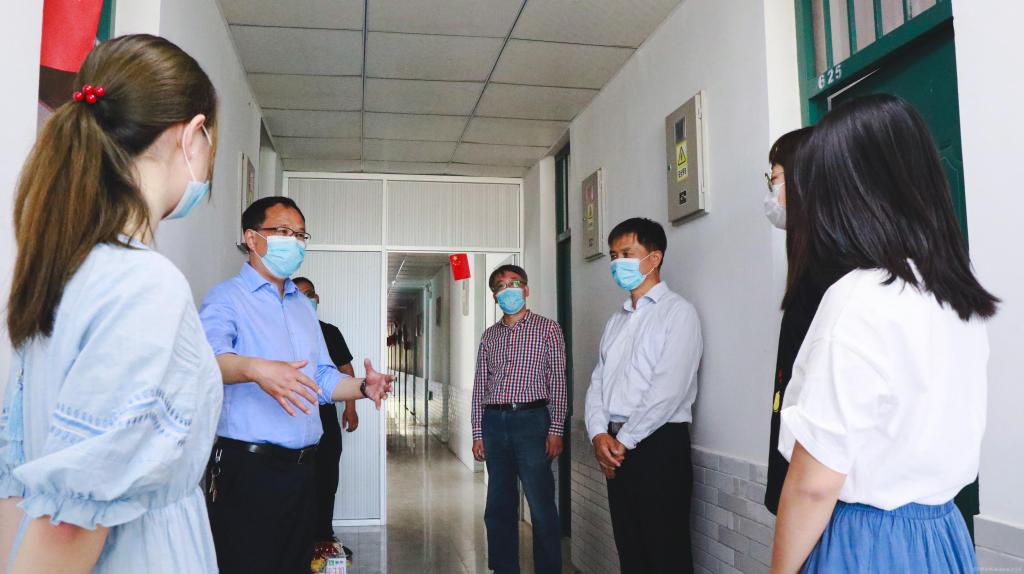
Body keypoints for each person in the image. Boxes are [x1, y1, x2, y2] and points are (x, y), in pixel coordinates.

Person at [0, 34, 221, 572]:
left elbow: (17, 488)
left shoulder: (64, 272)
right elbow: (69, 528)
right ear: (192, 135)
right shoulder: (145, 287)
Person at [770, 94, 997, 573]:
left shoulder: (857, 299)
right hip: (943, 536)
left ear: (849, 193)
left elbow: (815, 484)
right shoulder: (956, 293)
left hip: (865, 542)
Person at [199, 196, 393, 574]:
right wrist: (256, 369)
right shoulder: (227, 298)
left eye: (300, 235)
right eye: (284, 232)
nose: (295, 242)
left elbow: (321, 377)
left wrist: (361, 387)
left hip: (304, 468)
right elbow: (207, 361)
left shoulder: (302, 306)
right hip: (249, 467)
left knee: (296, 564)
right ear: (252, 238)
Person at [584, 217, 703, 574]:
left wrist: (624, 440)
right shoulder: (616, 321)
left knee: (666, 553)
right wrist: (598, 433)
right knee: (631, 550)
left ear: (654, 257)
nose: (617, 263)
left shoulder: (678, 313)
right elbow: (598, 383)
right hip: (615, 447)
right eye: (613, 255)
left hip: (659, 446)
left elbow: (668, 390)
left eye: (627, 254)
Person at [760, 126, 854, 516]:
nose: (772, 192)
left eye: (775, 178)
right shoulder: (810, 262)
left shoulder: (832, 271)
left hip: (824, 492)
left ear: (805, 179)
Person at [472, 264, 567, 574]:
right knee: (498, 504)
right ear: (495, 296)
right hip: (494, 422)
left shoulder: (548, 329)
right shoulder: (489, 336)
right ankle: (504, 568)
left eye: (514, 283)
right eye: (501, 286)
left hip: (532, 421)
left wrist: (556, 429)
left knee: (540, 505)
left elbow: (558, 381)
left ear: (526, 290)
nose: (508, 290)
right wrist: (477, 433)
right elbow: (480, 386)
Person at [292, 276, 358, 543]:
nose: (305, 300)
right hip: (296, 414)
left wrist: (351, 408)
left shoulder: (329, 332)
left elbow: (345, 370)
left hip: (325, 414)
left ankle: (324, 536)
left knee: (327, 476)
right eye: (298, 295)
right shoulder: (284, 331)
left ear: (317, 298)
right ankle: (301, 540)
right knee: (299, 480)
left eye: (309, 294)